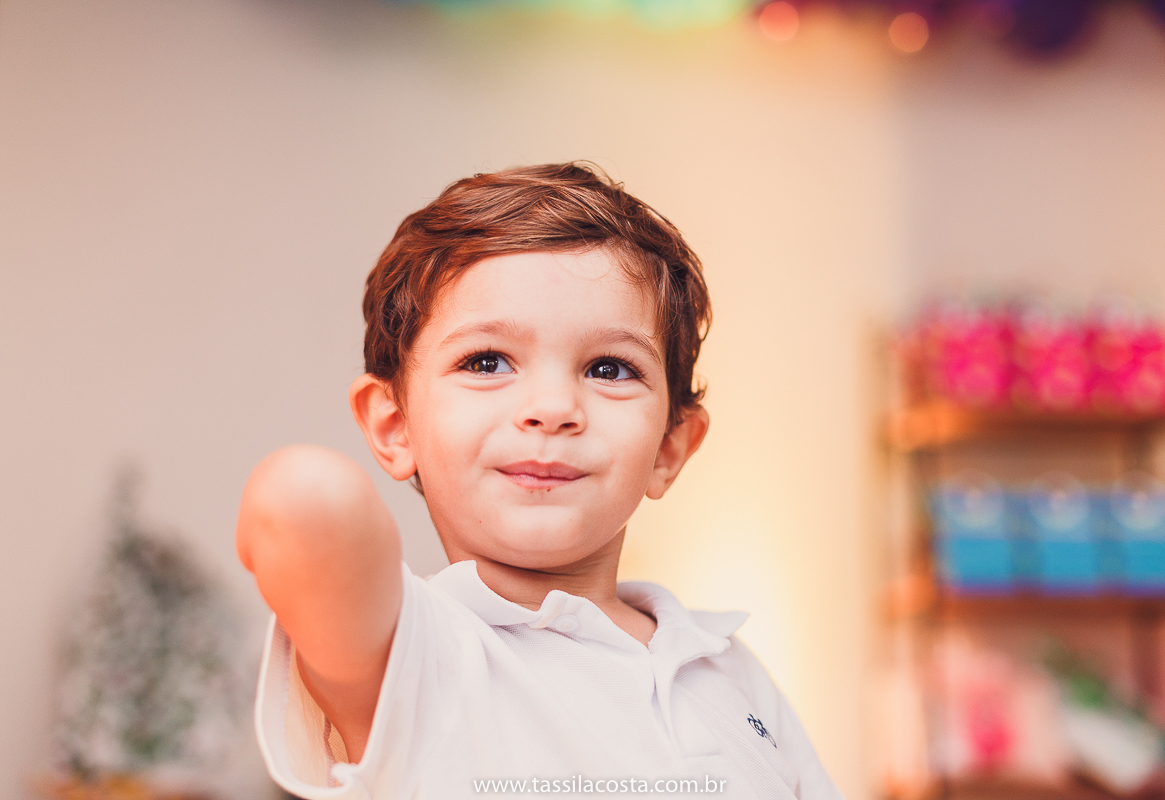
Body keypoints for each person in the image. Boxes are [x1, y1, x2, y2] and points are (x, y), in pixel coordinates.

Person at [237, 163, 844, 800]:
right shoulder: (417, 656)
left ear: (670, 445)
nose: (552, 407)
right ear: (395, 426)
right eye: (487, 361)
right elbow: (301, 499)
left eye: (610, 368)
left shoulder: (727, 666)